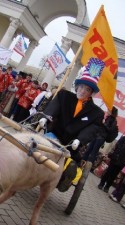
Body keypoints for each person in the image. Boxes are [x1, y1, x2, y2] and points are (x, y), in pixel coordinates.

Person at [39, 63, 105, 192]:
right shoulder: (64, 96)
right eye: (81, 87)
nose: (82, 90)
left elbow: (92, 128)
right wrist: (45, 117)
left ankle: (63, 179)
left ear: (91, 93)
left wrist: (80, 139)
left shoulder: (97, 113)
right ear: (77, 86)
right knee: (39, 147)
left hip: (72, 145)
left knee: (70, 165)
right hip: (53, 135)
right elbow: (54, 107)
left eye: (87, 89)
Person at [98, 126, 125, 193]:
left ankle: (107, 187)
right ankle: (101, 183)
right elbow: (117, 146)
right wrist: (111, 155)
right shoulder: (124, 138)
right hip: (115, 158)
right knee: (108, 172)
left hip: (123, 161)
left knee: (114, 175)